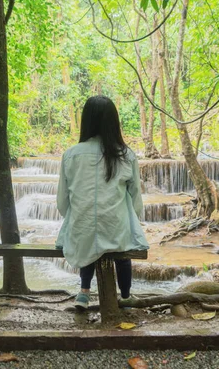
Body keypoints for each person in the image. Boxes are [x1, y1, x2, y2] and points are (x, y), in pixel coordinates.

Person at [55, 95, 149, 310]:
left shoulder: (70, 155)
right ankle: (125, 296)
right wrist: (132, 222)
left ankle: (84, 292)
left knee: (86, 235)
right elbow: (135, 199)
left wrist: (75, 216)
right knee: (123, 251)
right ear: (114, 122)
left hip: (82, 227)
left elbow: (62, 201)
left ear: (85, 122)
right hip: (117, 229)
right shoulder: (126, 155)